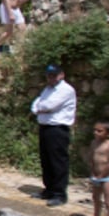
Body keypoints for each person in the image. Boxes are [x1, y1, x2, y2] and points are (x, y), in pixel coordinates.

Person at [31, 63, 77, 207]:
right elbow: (36, 105)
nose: (51, 78)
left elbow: (48, 106)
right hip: (45, 127)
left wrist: (41, 108)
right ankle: (49, 189)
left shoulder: (66, 90)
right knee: (46, 160)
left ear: (61, 75)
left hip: (57, 129)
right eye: (49, 75)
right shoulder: (48, 89)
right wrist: (39, 108)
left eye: (54, 75)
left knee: (58, 161)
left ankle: (59, 194)